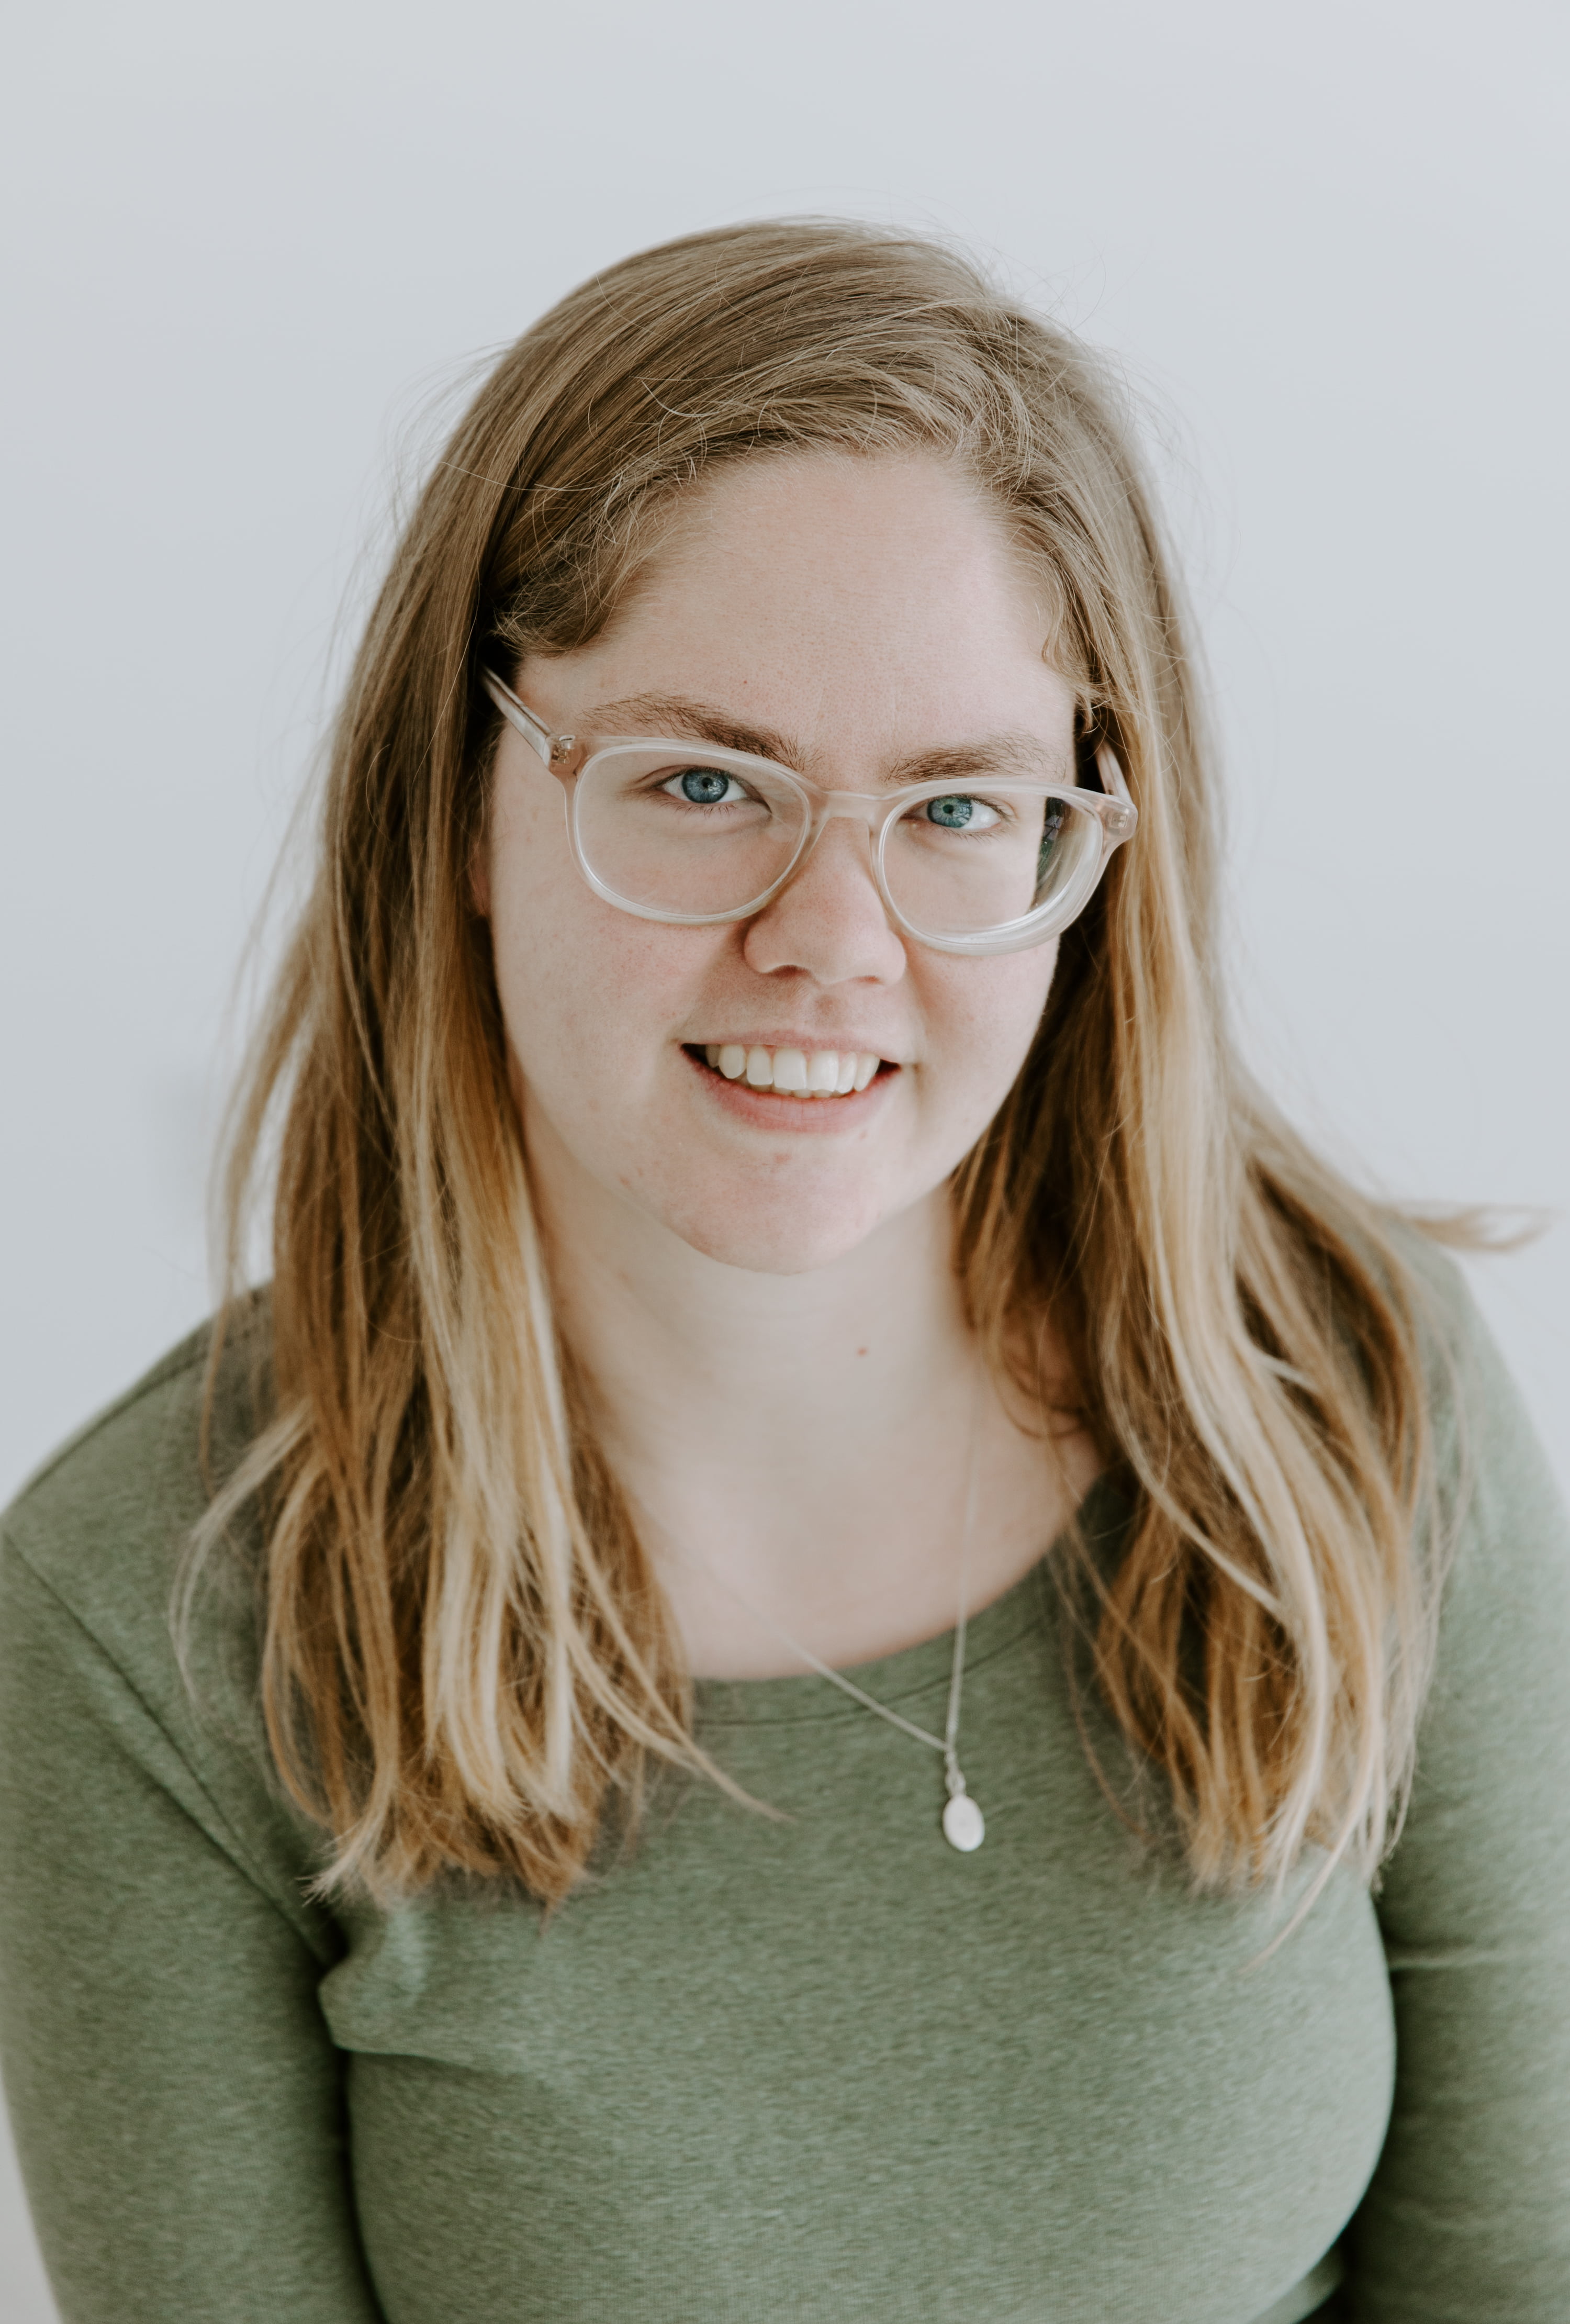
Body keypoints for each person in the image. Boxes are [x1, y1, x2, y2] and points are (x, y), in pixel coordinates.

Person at [1, 219, 1565, 2324]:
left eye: (955, 810)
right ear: (463, 810)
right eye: (707, 783)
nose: (835, 942)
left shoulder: (1350, 1382)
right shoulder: (142, 1623)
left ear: (1087, 854)